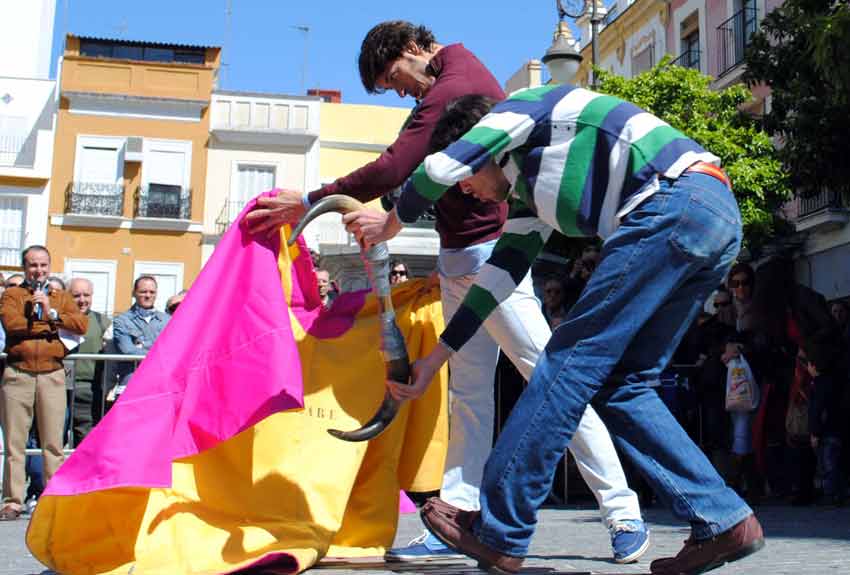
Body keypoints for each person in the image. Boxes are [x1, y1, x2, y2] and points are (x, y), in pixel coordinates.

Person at [247, 21, 648, 563]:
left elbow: (397, 166)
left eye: (395, 77)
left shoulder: (452, 86)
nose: (399, 91)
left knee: (550, 381)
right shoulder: (446, 81)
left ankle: (623, 513)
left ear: (414, 49)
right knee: (469, 395)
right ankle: (455, 520)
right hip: (457, 257)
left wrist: (312, 200)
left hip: (494, 258)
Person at [347, 89, 765, 574]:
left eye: (466, 177)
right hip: (710, 214)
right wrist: (433, 362)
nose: (463, 191)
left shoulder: (521, 108)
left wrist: (389, 222)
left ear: (479, 148)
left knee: (566, 364)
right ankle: (722, 518)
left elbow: (437, 170)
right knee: (621, 384)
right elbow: (496, 281)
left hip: (671, 204)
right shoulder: (528, 187)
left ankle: (500, 530)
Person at [0, 245, 88, 521]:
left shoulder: (59, 297)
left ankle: (53, 498)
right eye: (32, 265)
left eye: (43, 265)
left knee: (53, 442)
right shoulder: (12, 295)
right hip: (19, 374)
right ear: (24, 268)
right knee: (15, 442)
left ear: (49, 267)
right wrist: (48, 327)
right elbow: (12, 324)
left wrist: (51, 314)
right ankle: (12, 500)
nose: (38, 270)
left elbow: (81, 324)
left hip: (52, 374)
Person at [67, 278, 111, 444]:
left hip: (89, 388)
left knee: (86, 438)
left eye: (86, 295)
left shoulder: (103, 322)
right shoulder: (57, 320)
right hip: (60, 387)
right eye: (76, 295)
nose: (82, 300)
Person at [112, 276, 169, 395]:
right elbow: (127, 350)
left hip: (159, 385)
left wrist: (141, 347)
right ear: (134, 293)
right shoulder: (121, 320)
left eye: (152, 292)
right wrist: (158, 353)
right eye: (143, 292)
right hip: (130, 385)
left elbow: (173, 351)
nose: (148, 295)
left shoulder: (168, 321)